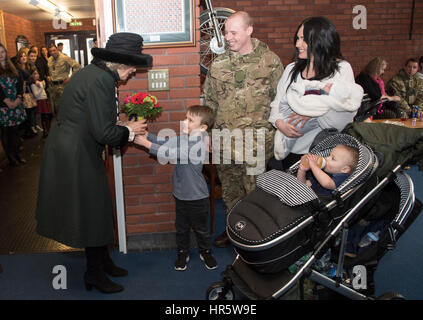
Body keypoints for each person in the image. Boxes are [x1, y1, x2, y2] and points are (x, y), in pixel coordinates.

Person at [36, 32, 153, 294]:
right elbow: (105, 134)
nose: (134, 71)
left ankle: (102, 262)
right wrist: (130, 130)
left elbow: (96, 122)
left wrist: (121, 125)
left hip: (74, 149)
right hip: (76, 154)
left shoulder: (95, 74)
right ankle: (94, 273)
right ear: (119, 63)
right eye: (133, 65)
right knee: (92, 211)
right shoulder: (100, 80)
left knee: (96, 210)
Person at [203, 11, 283, 248]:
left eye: (233, 32)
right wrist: (208, 135)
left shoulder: (270, 62)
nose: (228, 37)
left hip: (255, 142)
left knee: (255, 192)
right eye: (226, 32)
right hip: (225, 140)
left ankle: (255, 237)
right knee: (229, 191)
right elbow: (210, 102)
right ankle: (234, 229)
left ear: (249, 30)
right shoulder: (219, 64)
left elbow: (280, 102)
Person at [268, 16, 362, 169]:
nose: (298, 44)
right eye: (297, 39)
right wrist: (280, 123)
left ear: (320, 40)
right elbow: (277, 103)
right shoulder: (292, 69)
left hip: (323, 151)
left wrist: (311, 112)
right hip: (291, 150)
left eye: (303, 39)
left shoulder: (341, 69)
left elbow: (346, 110)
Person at [135, 105, 218, 271]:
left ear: (203, 128)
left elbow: (171, 153)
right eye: (186, 118)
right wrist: (147, 135)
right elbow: (166, 142)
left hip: (198, 197)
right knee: (182, 229)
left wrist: (146, 144)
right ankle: (182, 252)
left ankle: (206, 252)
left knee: (201, 229)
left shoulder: (199, 144)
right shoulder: (186, 138)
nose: (185, 122)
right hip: (181, 195)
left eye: (190, 120)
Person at [0, 43, 26, 167]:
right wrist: (6, 101)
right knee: (6, 132)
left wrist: (19, 98)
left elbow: (20, 84)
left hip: (16, 103)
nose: (1, 55)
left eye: (2, 52)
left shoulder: (13, 68)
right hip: (3, 106)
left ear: (6, 53)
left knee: (15, 131)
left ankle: (16, 155)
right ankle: (10, 158)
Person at [47, 43, 81, 116]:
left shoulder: (64, 58)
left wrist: (70, 78)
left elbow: (77, 67)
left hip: (63, 85)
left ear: (57, 49)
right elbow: (51, 71)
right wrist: (49, 77)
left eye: (54, 50)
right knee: (57, 107)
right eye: (50, 51)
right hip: (54, 86)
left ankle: (68, 123)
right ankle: (60, 123)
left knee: (65, 105)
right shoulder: (49, 60)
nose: (53, 52)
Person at [30, 69, 52, 138]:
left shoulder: (39, 82)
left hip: (44, 99)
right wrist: (41, 87)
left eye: (37, 73)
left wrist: (43, 85)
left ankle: (49, 130)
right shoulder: (33, 84)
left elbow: (43, 91)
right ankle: (45, 131)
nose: (37, 75)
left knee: (48, 115)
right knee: (44, 116)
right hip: (40, 101)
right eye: (34, 74)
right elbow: (36, 94)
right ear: (31, 76)